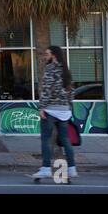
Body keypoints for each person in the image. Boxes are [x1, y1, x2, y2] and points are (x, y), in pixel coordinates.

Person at [32, 46, 78, 179]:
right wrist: (68, 106)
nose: (45, 56)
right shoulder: (66, 70)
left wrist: (41, 107)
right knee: (65, 139)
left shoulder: (50, 68)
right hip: (64, 111)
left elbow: (47, 89)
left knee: (46, 139)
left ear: (54, 55)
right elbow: (71, 91)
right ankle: (71, 168)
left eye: (47, 54)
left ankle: (46, 168)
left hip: (51, 110)